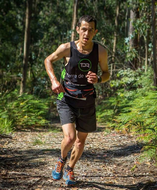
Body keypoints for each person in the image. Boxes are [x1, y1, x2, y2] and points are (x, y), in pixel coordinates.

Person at [44, 15, 110, 186]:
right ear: (78, 29)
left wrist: (99, 79)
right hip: (66, 98)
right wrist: (53, 80)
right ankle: (61, 159)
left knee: (81, 141)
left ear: (95, 32)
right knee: (70, 138)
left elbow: (106, 73)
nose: (86, 33)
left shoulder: (100, 51)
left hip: (87, 100)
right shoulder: (67, 48)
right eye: (83, 29)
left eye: (90, 30)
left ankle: (70, 169)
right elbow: (48, 60)